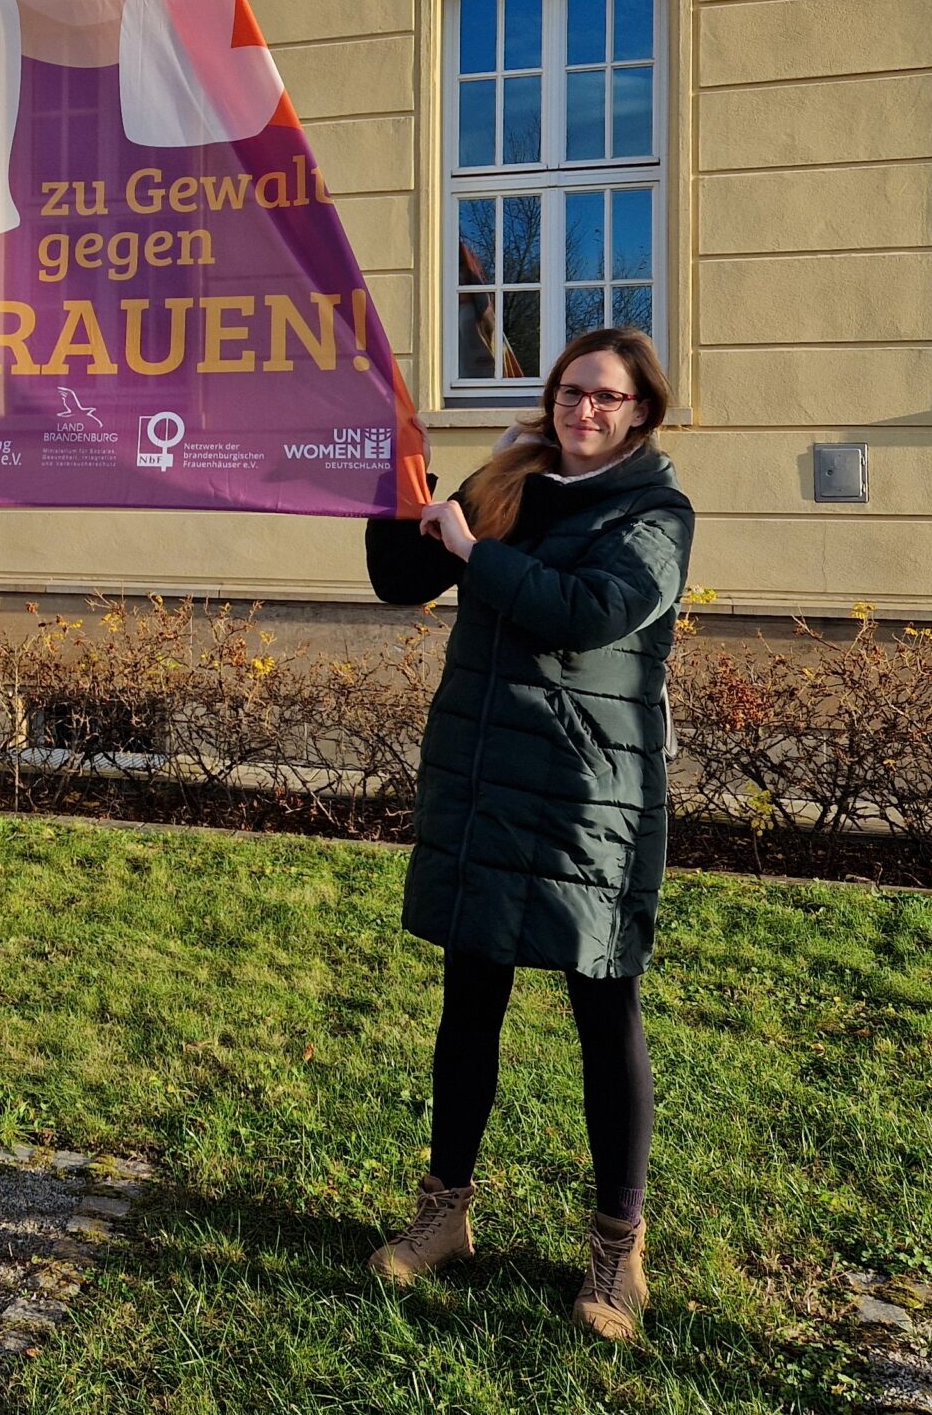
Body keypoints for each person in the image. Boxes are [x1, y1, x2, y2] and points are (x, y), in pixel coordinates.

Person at [362, 327, 694, 1341]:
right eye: (567, 391)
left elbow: (589, 612)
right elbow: (400, 580)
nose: (579, 409)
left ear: (639, 410)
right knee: (469, 1006)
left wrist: (476, 551)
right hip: (484, 776)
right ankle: (444, 1214)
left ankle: (613, 1250)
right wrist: (390, 478)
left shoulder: (653, 513)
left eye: (603, 396)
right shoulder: (508, 479)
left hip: (591, 795)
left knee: (605, 1018)